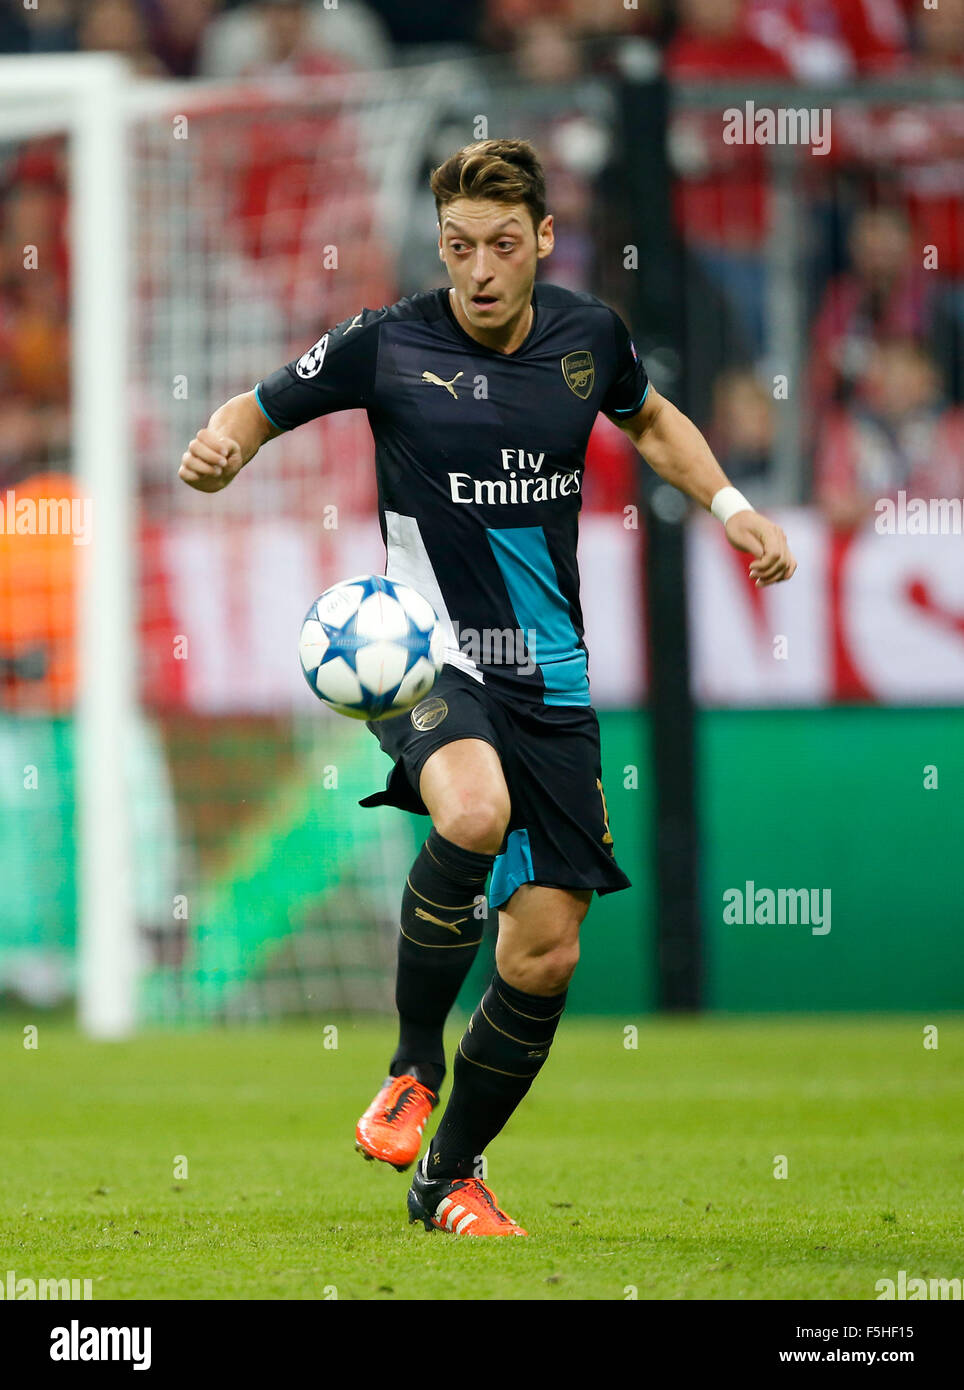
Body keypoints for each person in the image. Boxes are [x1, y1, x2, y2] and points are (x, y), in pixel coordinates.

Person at [179, 138, 796, 1236]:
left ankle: (448, 1175)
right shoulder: (385, 344)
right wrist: (222, 445)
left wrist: (731, 504)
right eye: (459, 246)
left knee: (545, 949)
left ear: (543, 241)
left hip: (551, 676)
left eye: (501, 245)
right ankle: (412, 1065)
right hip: (429, 660)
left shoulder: (586, 337)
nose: (478, 268)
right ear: (441, 247)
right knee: (472, 809)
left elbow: (650, 418)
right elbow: (257, 406)